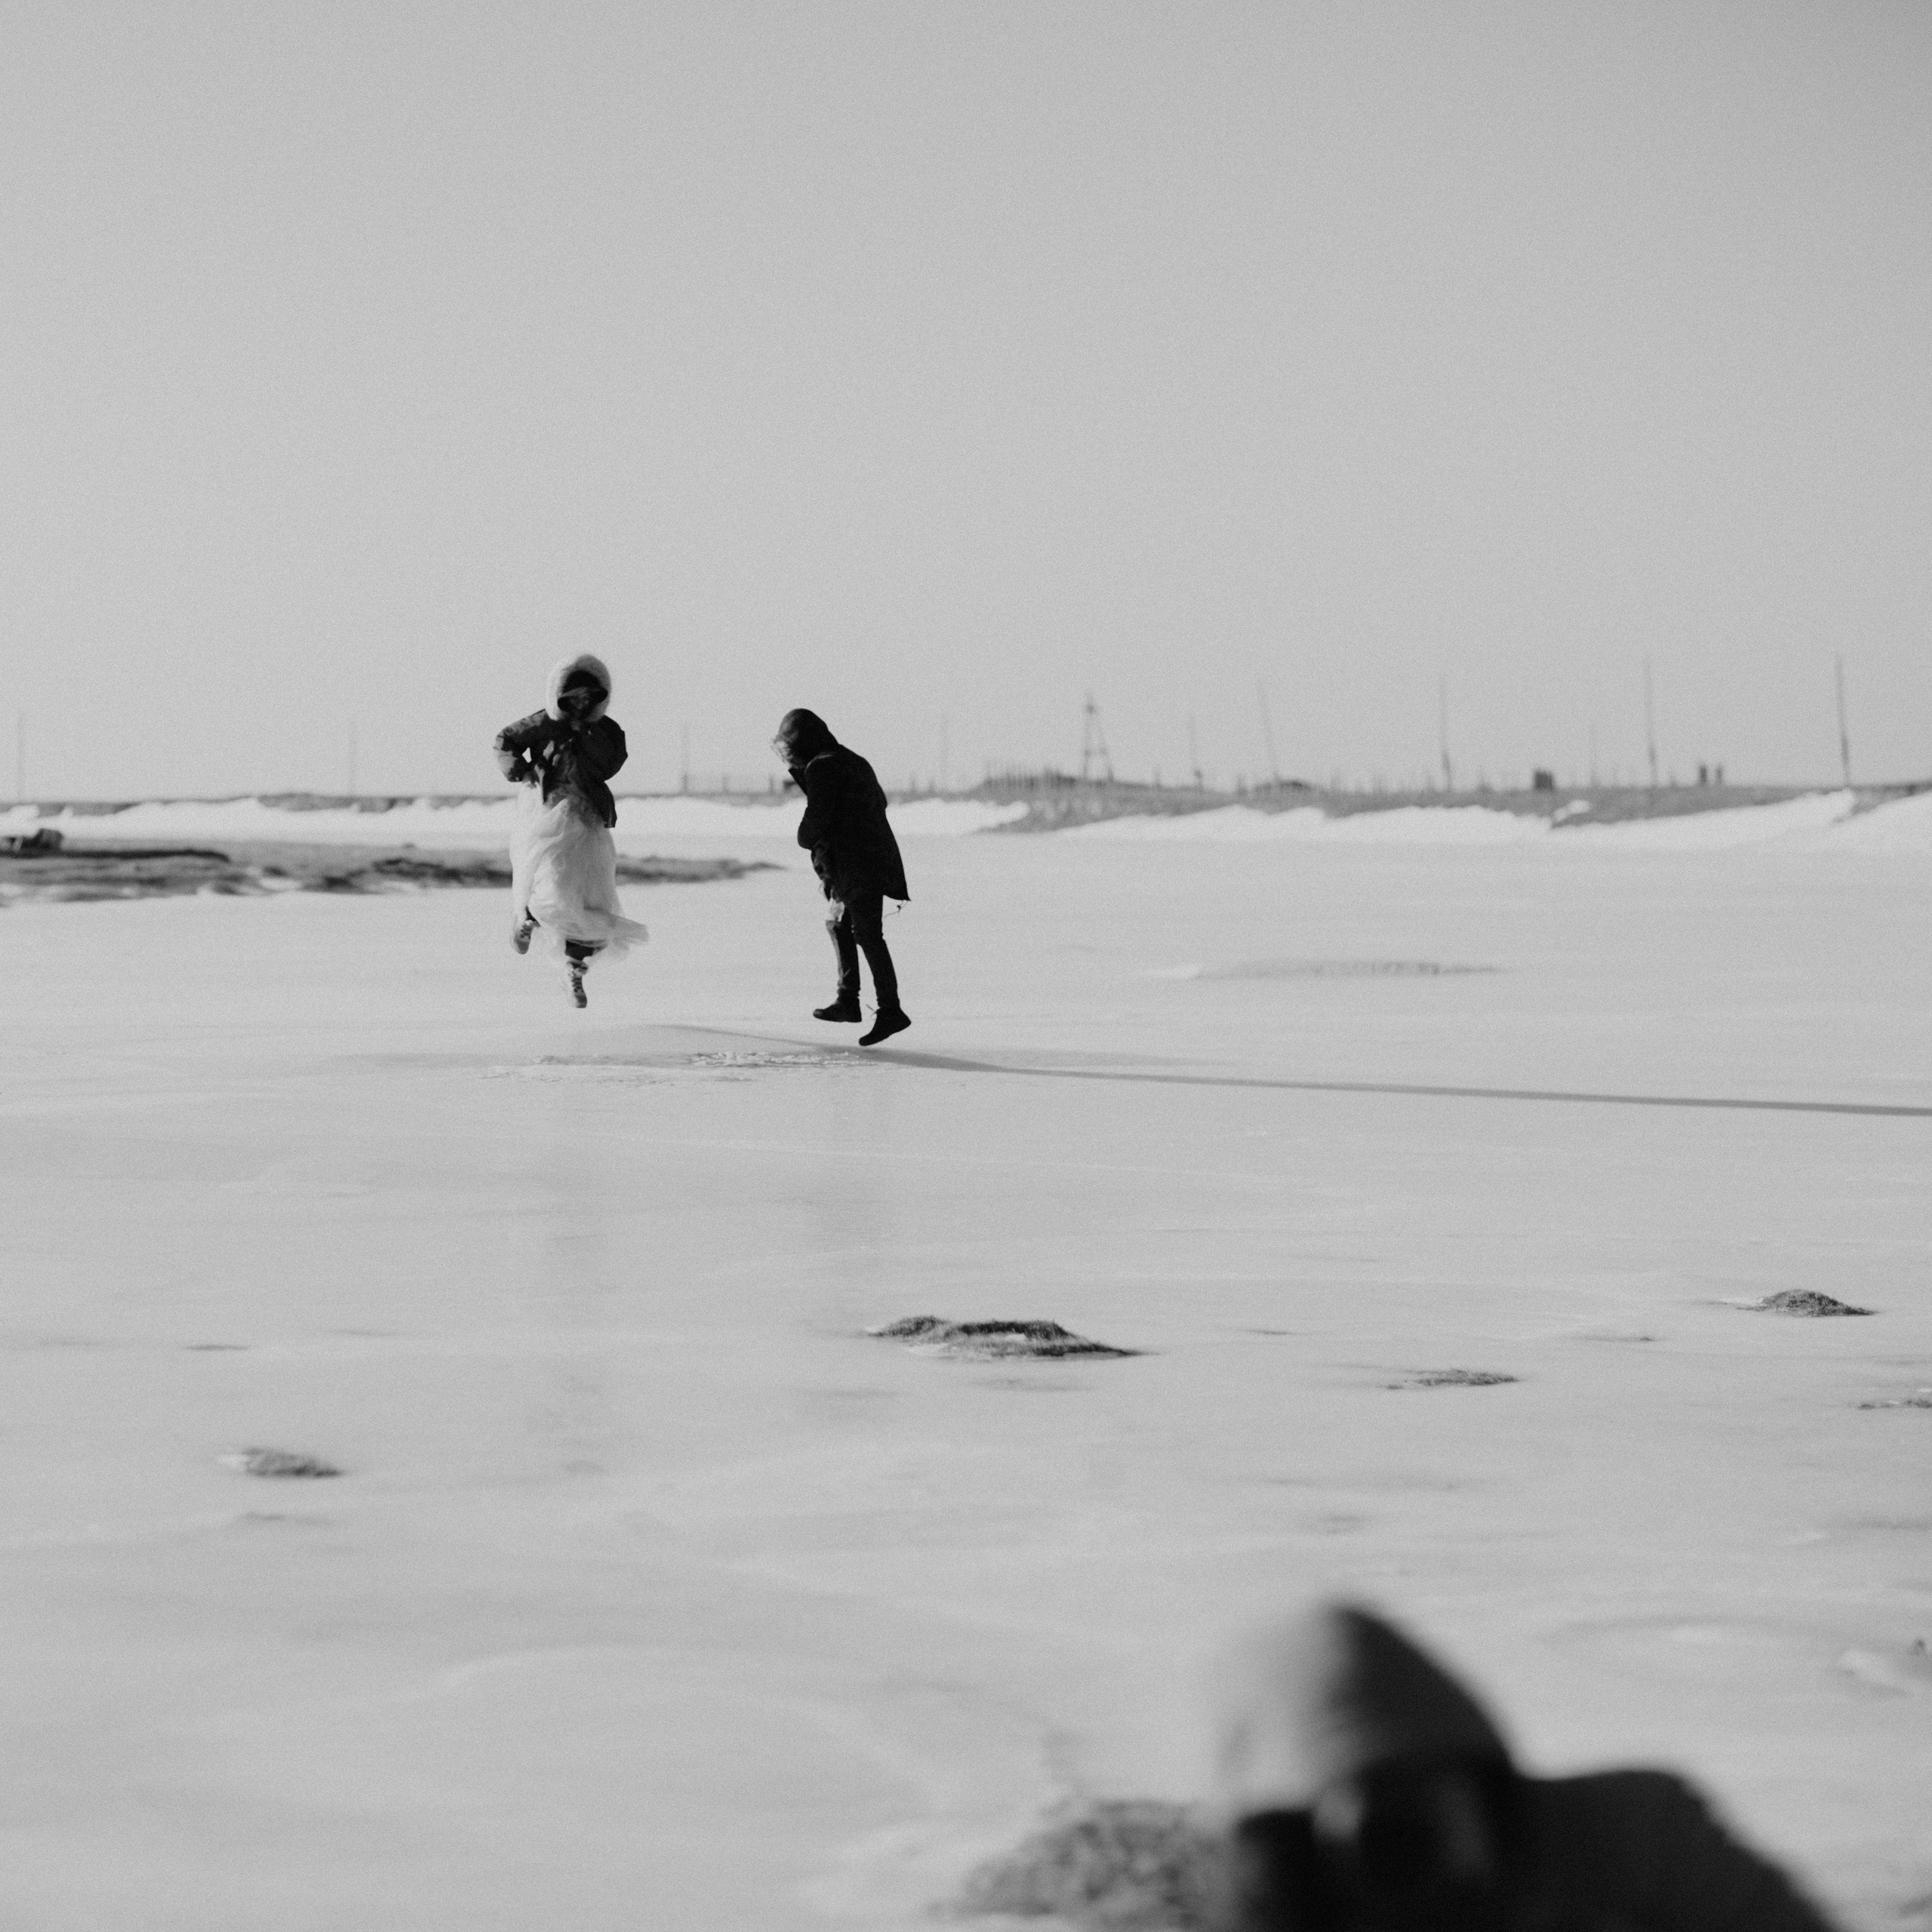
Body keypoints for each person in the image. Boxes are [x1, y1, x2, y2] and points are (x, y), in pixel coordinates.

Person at [1208, 1601, 1838, 1932]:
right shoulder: (1280, 1895)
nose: (1402, 1851)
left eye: (1420, 1812)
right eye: (1379, 1831)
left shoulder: (1630, 1843)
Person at [493, 654, 648, 1008]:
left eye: (588, 698)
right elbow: (505, 740)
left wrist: (589, 733)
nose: (579, 705)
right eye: (572, 698)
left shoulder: (607, 730)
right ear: (559, 696)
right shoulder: (544, 722)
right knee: (548, 874)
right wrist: (521, 769)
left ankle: (573, 970)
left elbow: (610, 765)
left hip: (588, 816)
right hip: (547, 809)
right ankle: (526, 917)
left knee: (592, 896)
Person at [774, 709, 910, 1045]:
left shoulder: (823, 766)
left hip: (857, 865)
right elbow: (879, 801)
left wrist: (807, 838)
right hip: (865, 861)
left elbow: (813, 824)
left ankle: (890, 1010)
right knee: (840, 924)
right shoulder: (852, 760)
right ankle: (848, 1001)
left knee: (867, 934)